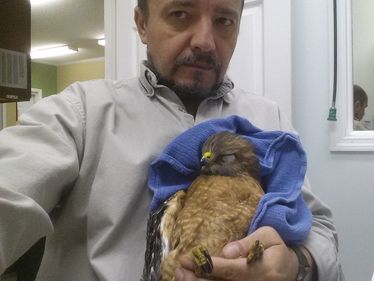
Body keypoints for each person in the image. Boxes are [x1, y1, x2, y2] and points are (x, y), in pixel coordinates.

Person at [0, 0, 344, 280]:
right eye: (180, 14)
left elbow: (322, 230)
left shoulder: (270, 121)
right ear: (142, 24)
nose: (205, 42)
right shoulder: (82, 114)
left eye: (224, 20)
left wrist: (297, 263)